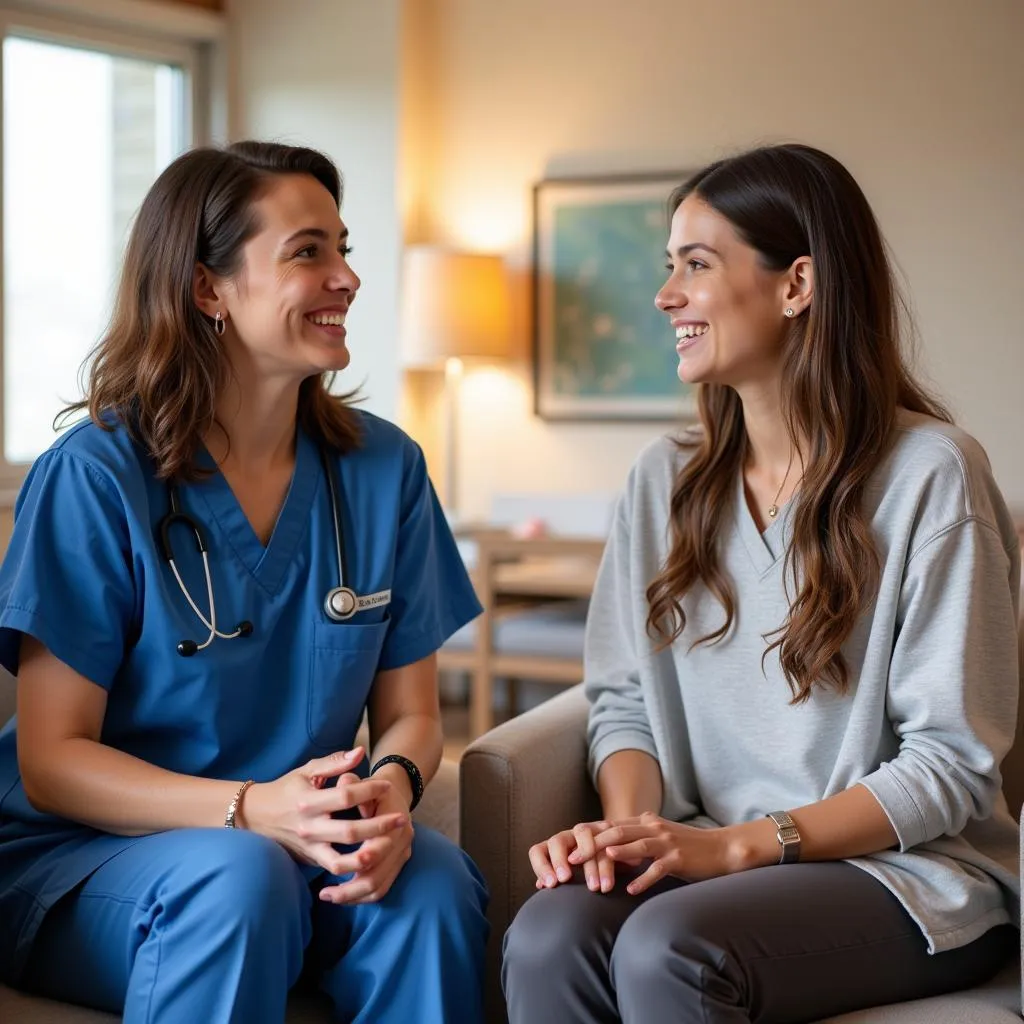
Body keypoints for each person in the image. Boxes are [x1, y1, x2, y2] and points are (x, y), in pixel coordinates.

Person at [503, 143, 1020, 1023]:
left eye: (695, 266)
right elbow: (624, 702)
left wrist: (739, 850)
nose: (666, 296)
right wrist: (632, 836)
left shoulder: (931, 473)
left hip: (904, 876)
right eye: (669, 268)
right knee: (549, 934)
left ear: (797, 285)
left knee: (677, 948)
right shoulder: (662, 480)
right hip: (714, 855)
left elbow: (950, 767)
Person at [0, 140, 487, 1024]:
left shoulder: (385, 470)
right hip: (93, 860)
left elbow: (413, 714)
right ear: (206, 289)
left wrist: (393, 791)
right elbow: (50, 762)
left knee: (433, 885)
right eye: (309, 252)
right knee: (239, 877)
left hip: (297, 845)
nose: (346, 277)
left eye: (344, 248)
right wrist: (250, 809)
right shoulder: (98, 476)